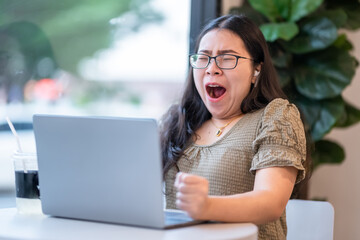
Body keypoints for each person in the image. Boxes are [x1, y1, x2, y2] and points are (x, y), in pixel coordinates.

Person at [160, 14, 310, 240]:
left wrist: (207, 206)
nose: (212, 69)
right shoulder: (179, 121)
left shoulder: (276, 116)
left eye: (227, 58)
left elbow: (271, 202)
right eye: (204, 57)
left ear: (256, 70)